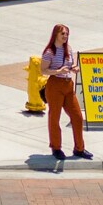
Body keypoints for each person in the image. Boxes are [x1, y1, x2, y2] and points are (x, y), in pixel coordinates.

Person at [40, 22, 90, 161]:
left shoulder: (68, 48)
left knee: (77, 117)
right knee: (54, 117)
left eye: (67, 34)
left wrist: (74, 68)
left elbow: (69, 65)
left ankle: (79, 148)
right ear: (56, 34)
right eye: (62, 33)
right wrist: (57, 71)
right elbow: (42, 70)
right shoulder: (49, 52)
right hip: (55, 85)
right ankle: (56, 148)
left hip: (68, 84)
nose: (65, 36)